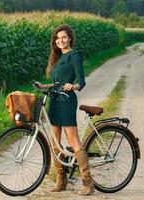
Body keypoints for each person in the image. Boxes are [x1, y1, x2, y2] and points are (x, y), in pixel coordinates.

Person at [35, 24, 94, 196]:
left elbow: (82, 82)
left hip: (67, 101)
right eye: (57, 38)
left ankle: (87, 182)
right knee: (55, 143)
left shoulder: (74, 55)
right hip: (54, 100)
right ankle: (61, 180)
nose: (60, 40)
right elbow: (57, 83)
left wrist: (72, 86)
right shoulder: (58, 57)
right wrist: (44, 85)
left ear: (69, 38)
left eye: (63, 37)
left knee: (74, 141)